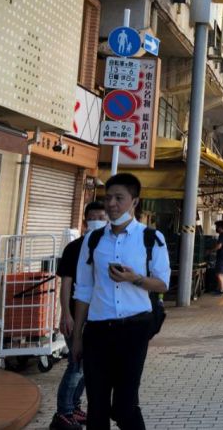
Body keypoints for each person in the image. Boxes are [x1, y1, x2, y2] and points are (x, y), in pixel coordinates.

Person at [73, 173, 169, 430]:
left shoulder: (151, 238)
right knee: (97, 406)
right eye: (108, 198)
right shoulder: (93, 240)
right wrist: (77, 336)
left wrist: (135, 278)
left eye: (119, 198)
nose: (112, 204)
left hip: (134, 330)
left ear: (134, 201)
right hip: (97, 331)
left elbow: (162, 283)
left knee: (125, 406)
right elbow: (83, 289)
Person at [51, 201, 107, 430]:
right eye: (92, 218)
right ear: (84, 222)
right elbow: (66, 283)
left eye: (101, 217)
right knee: (76, 365)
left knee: (87, 366)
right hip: (75, 316)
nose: (97, 222)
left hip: (98, 318)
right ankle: (63, 412)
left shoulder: (108, 247)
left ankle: (74, 407)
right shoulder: (74, 248)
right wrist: (66, 314)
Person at [212, 220, 223, 295]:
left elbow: (219, 246)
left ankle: (221, 290)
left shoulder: (222, 235)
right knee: (220, 273)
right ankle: (219, 289)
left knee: (218, 273)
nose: (216, 228)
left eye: (216, 227)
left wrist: (211, 251)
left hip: (222, 257)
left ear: (220, 227)